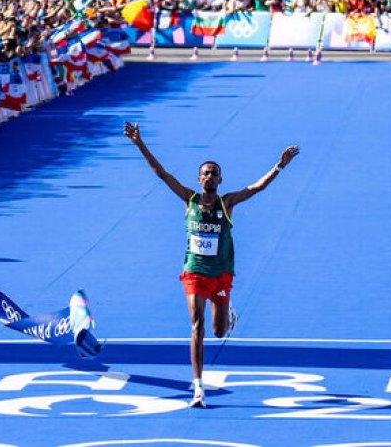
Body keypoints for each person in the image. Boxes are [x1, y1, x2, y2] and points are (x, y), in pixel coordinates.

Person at [123, 121, 299, 408]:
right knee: (197, 326)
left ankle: (227, 309)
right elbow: (161, 173)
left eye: (214, 174)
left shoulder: (227, 203)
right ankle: (198, 388)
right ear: (198, 178)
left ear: (220, 180)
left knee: (219, 331)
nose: (209, 177)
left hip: (220, 275)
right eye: (205, 173)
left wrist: (279, 166)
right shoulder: (187, 198)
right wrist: (139, 144)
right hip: (194, 273)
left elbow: (257, 187)